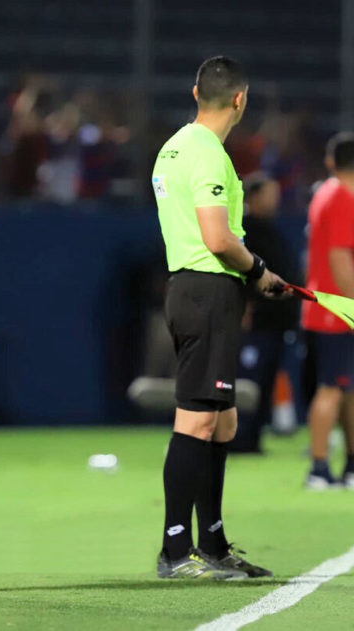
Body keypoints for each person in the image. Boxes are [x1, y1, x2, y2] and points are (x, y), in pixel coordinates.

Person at [151, 56, 288, 580]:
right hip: (207, 289)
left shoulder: (173, 146)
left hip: (195, 289)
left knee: (223, 419)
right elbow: (216, 239)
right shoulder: (209, 154)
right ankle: (174, 549)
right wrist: (258, 272)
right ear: (240, 100)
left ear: (195, 92)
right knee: (198, 419)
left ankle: (212, 543)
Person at [233, 172, 300, 453]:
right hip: (255, 320)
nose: (276, 199)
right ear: (254, 197)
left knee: (267, 380)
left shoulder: (271, 229)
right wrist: (245, 305)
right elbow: (240, 272)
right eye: (270, 193)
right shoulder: (242, 229)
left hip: (277, 320)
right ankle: (237, 438)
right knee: (248, 381)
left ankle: (254, 439)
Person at [302, 132, 354, 489]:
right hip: (336, 309)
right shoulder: (340, 198)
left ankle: (350, 465)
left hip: (329, 307)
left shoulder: (327, 193)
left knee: (347, 390)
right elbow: (340, 259)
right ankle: (319, 468)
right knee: (330, 389)